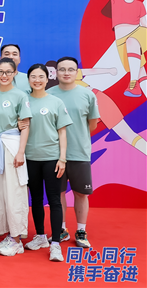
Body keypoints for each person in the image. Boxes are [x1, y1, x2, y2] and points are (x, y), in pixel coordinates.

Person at [48, 57, 100, 248]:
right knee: (58, 193)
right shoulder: (48, 95)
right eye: (62, 69)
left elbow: (92, 124)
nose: (66, 73)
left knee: (81, 193)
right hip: (54, 154)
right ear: (56, 72)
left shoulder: (87, 95)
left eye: (71, 69)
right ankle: (61, 229)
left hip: (79, 153)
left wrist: (78, 137)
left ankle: (81, 230)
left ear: (77, 72)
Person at [24, 64, 72, 262]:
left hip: (52, 158)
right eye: (33, 77)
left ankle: (55, 244)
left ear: (47, 78)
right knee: (35, 199)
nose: (37, 80)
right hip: (29, 158)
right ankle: (40, 236)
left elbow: (62, 132)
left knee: (54, 200)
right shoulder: (23, 101)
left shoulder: (56, 102)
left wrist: (62, 158)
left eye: (41, 76)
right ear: (28, 79)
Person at [0, 58, 32, 257]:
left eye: (8, 72)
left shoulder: (20, 95)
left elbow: (26, 125)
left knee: (14, 192)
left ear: (14, 73)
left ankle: (17, 239)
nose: (4, 75)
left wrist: (21, 152)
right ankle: (8, 234)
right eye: (0, 72)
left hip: (12, 146)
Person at [106, 0, 147, 97]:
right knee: (140, 70)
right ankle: (137, 86)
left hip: (138, 33)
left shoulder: (139, 4)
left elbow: (144, 23)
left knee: (132, 41)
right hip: (121, 40)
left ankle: (132, 83)